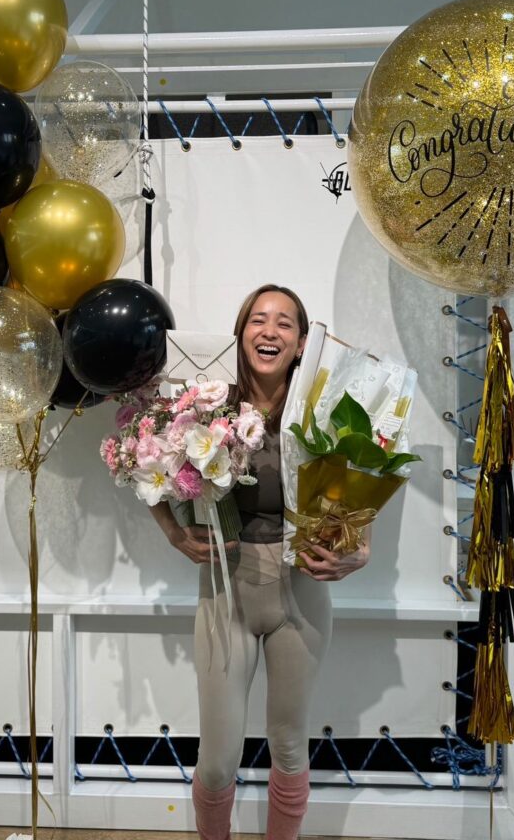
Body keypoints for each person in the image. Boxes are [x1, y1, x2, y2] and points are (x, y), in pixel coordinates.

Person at [150, 284, 371, 840]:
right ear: (240, 332)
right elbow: (144, 461)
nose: (269, 330)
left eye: (285, 323)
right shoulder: (206, 403)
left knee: (290, 745)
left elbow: (356, 490)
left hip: (301, 592)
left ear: (301, 343)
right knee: (220, 757)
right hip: (226, 587)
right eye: (257, 319)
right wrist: (174, 533)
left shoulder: (324, 411)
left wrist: (359, 548)